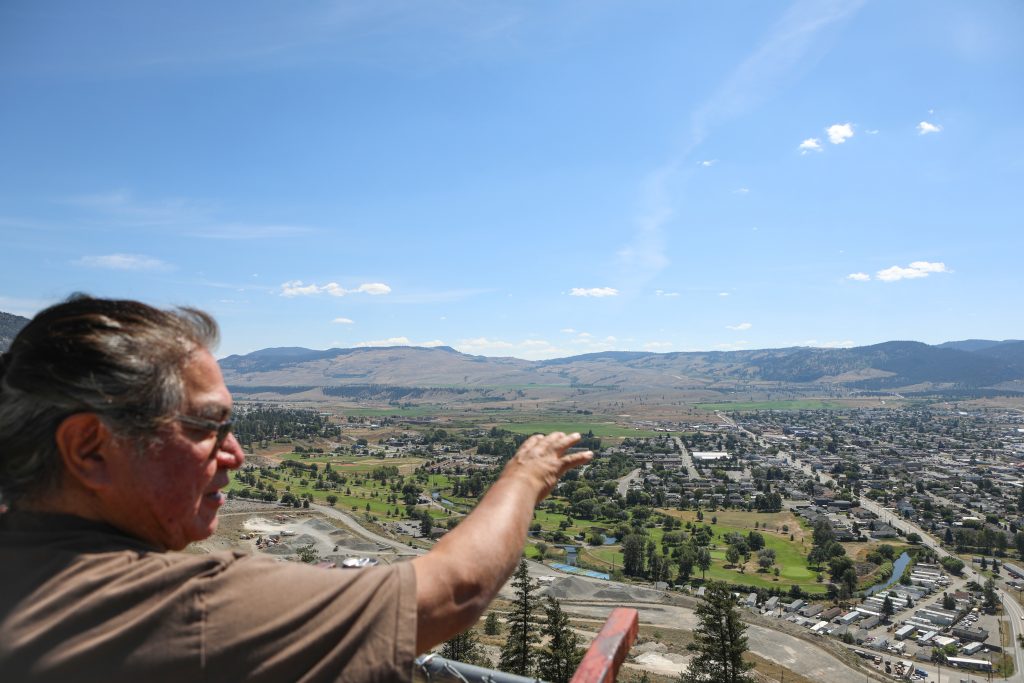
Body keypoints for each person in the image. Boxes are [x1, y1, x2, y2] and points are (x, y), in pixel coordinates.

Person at [0, 295, 591, 681]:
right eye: (207, 426)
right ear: (89, 449)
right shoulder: (178, 610)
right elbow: (453, 592)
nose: (235, 453)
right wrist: (528, 473)